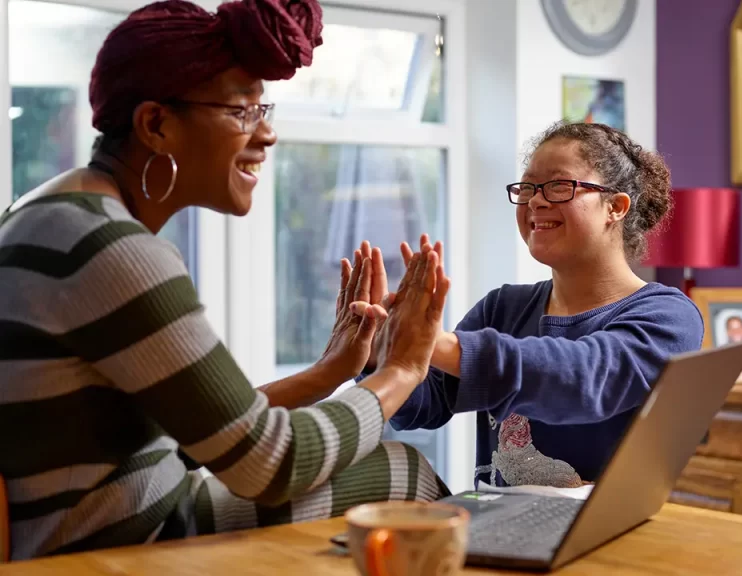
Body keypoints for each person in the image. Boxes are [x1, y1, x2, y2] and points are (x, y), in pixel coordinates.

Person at [0, 0, 451, 561]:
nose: (267, 135)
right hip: (120, 542)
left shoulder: (50, 212)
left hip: (116, 514)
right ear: (156, 124)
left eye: (264, 109)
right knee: (404, 470)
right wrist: (402, 371)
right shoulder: (111, 250)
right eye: (242, 112)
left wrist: (330, 374)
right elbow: (271, 464)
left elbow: (214, 433)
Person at [354, 122, 704, 488]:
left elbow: (584, 378)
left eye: (557, 185)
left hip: (606, 540)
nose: (536, 200)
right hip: (503, 533)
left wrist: (431, 342)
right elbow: (421, 408)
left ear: (615, 207)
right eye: (528, 188)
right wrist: (381, 348)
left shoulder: (669, 317)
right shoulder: (502, 308)